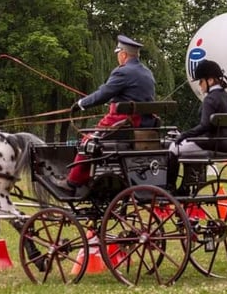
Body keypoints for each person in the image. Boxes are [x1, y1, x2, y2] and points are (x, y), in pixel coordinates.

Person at [61, 34, 156, 193]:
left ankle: (73, 182)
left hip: (125, 123)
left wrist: (80, 104)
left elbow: (102, 94)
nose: (118, 58)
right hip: (145, 124)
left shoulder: (123, 72)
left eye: (118, 54)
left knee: (88, 141)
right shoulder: (147, 73)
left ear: (124, 54)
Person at [167, 59, 227, 194]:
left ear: (210, 80)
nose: (200, 85)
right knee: (189, 147)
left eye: (201, 81)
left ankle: (170, 188)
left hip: (211, 143)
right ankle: (185, 186)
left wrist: (184, 135)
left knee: (174, 148)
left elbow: (204, 126)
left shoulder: (210, 99)